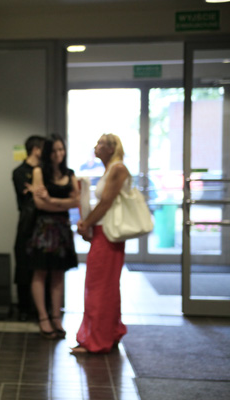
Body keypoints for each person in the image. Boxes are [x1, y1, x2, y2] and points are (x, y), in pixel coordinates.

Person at [73, 133, 130, 354]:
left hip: (107, 235)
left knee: (98, 287)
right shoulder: (111, 169)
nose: (96, 147)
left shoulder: (117, 169)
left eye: (100, 143)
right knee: (106, 287)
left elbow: (106, 203)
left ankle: (96, 340)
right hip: (104, 233)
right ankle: (109, 333)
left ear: (110, 148)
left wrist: (86, 223)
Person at [28, 134, 79, 339]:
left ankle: (56, 317)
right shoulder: (39, 171)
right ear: (48, 152)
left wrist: (51, 200)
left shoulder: (70, 173)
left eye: (61, 149)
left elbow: (76, 201)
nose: (59, 154)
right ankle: (43, 317)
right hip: (44, 228)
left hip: (62, 228)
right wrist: (62, 203)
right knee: (40, 272)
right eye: (55, 150)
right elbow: (39, 204)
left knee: (59, 273)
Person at [12, 135, 45, 321]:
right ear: (36, 149)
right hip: (27, 224)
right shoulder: (19, 172)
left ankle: (42, 309)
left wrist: (35, 190)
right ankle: (24, 308)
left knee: (42, 267)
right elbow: (25, 197)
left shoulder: (46, 170)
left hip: (44, 225)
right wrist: (36, 192)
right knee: (23, 265)